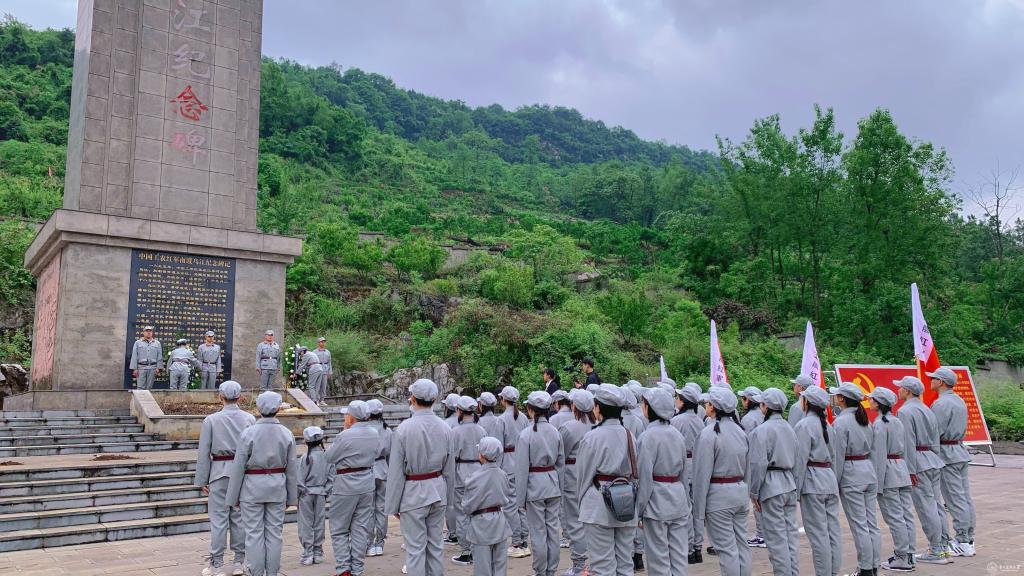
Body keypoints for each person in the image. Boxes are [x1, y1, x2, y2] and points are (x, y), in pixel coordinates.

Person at [225, 391, 298, 576]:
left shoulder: (248, 433)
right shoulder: (287, 433)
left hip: (252, 487)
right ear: (279, 408)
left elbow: (238, 466)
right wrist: (292, 497)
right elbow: (292, 468)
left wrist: (233, 497)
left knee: (253, 533)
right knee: (275, 534)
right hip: (277, 486)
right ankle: (272, 572)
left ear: (258, 408)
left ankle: (255, 572)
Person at [386, 378, 453, 576]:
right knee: (436, 547)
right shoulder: (445, 428)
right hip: (438, 489)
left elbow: (396, 471)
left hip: (413, 493)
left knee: (415, 550)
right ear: (434, 400)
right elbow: (450, 469)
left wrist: (393, 504)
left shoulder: (404, 429)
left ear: (413, 399)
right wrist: (449, 499)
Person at [576, 384, 637, 576]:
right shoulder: (629, 435)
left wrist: (581, 503)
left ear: (598, 408)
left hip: (598, 503)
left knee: (602, 565)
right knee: (625, 563)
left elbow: (583, 475)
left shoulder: (592, 437)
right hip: (626, 501)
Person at [195, 381, 255, 576]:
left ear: (220, 397)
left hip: (219, 472)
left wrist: (202, 479)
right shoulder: (249, 419)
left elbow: (204, 451)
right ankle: (239, 562)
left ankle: (217, 564)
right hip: (242, 472)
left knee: (219, 520)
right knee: (239, 518)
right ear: (240, 396)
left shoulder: (211, 420)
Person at [691, 386, 751, 576]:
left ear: (713, 407)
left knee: (727, 550)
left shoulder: (708, 434)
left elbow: (701, 475)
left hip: (719, 496)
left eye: (708, 403)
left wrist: (698, 510)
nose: (706, 406)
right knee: (741, 545)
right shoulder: (741, 431)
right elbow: (748, 468)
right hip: (740, 492)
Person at [895, 376, 951, 565]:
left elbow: (908, 443)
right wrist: (935, 458)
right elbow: (935, 440)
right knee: (936, 505)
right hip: (932, 460)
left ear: (907, 391)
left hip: (918, 462)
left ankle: (936, 550)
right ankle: (943, 546)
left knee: (926, 507)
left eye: (900, 387)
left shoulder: (905, 411)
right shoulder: (927, 409)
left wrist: (909, 470)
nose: (898, 390)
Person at [637, 387, 690, 576]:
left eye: (644, 404)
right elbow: (684, 472)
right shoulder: (677, 434)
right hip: (678, 497)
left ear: (650, 408)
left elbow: (644, 478)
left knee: (658, 559)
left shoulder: (646, 437)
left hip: (656, 501)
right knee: (679, 556)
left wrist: (639, 510)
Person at [747, 388, 799, 576]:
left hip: (771, 484)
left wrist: (754, 492)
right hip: (789, 482)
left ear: (765, 406)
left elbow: (758, 464)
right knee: (790, 537)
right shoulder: (790, 428)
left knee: (776, 539)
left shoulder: (761, 431)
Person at [830, 382, 881, 576]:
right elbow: (874, 450)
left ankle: (865, 569)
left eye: (837, 395)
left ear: (842, 399)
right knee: (871, 524)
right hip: (868, 470)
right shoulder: (865, 420)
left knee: (859, 525)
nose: (835, 397)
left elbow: (838, 455)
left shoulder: (841, 422)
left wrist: (835, 482)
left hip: (852, 473)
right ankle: (873, 566)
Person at [792, 385, 842, 576]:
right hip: (828, 479)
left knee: (818, 534)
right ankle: (833, 572)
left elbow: (800, 460)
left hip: (813, 482)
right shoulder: (828, 425)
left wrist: (796, 490)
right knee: (832, 532)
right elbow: (835, 457)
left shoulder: (804, 425)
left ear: (808, 402)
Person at [326, 400, 379, 576]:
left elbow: (329, 457)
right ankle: (357, 569)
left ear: (351, 417)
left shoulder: (345, 435)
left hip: (346, 483)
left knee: (339, 528)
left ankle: (343, 569)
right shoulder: (374, 433)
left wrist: (345, 431)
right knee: (360, 528)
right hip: (366, 481)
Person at [927, 366, 977, 557]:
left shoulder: (941, 404)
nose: (930, 381)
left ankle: (962, 540)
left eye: (933, 378)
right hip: (959, 451)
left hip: (947, 453)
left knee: (955, 500)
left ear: (940, 382)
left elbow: (934, 432)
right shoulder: (958, 400)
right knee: (964, 497)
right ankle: (968, 538)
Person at [515, 391, 564, 576]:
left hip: (534, 486)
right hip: (552, 484)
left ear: (530, 410)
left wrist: (520, 500)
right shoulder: (555, 432)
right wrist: (560, 489)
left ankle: (540, 570)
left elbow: (521, 469)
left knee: (538, 532)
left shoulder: (526, 434)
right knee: (553, 530)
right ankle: (551, 570)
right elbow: (561, 464)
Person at [867, 387, 916, 572]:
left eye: (872, 399)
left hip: (888, 472)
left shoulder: (880, 424)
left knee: (895, 517)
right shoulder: (896, 421)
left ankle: (902, 557)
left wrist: (877, 484)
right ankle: (909, 554)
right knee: (906, 515)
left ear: (878, 403)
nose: (869, 402)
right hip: (901, 469)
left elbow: (878, 456)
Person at [462, 436, 513, 576]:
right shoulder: (503, 474)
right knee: (500, 565)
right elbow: (506, 496)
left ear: (482, 455)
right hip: (499, 520)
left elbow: (467, 507)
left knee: (482, 567)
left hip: (481, 524)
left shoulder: (474, 477)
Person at [559, 388, 595, 576]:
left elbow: (560, 453)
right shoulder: (598, 425)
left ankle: (579, 566)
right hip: (594, 475)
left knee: (574, 521)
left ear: (575, 406)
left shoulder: (569, 427)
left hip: (573, 475)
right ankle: (594, 563)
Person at [671, 382, 706, 565]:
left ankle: (689, 547)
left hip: (684, 465)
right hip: (698, 464)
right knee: (698, 507)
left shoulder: (676, 421)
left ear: (683, 402)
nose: (676, 401)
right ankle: (698, 547)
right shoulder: (700, 420)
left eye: (678, 398)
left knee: (686, 508)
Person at [450, 395, 487, 565]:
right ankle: (479, 547)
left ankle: (466, 550)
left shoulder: (455, 432)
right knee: (479, 511)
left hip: (461, 472)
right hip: (480, 470)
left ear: (459, 411)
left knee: (462, 513)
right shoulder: (481, 430)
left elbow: (452, 456)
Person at [498, 386, 530, 557]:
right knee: (521, 503)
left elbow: (498, 446)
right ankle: (524, 539)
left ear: (503, 400)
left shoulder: (502, 419)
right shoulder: (523, 417)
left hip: (507, 463)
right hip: (522, 461)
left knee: (510, 505)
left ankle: (516, 541)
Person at [619, 383, 647, 569]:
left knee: (623, 518)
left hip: (618, 476)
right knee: (637, 516)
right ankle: (639, 555)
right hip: (635, 473)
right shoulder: (638, 420)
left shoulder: (617, 420)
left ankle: (626, 557)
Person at [737, 386, 766, 549]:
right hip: (767, 463)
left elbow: (745, 444)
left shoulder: (748, 419)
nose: (743, 401)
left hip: (754, 462)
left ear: (748, 400)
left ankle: (762, 535)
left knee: (757, 500)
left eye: (744, 398)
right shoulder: (763, 415)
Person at [297, 426, 329, 566]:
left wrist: (299, 493)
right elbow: (331, 477)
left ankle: (308, 552)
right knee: (319, 522)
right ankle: (318, 551)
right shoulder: (326, 456)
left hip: (306, 494)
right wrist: (326, 490)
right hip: (321, 493)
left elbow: (299, 480)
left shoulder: (305, 458)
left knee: (306, 523)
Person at [366, 398, 392, 557]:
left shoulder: (365, 430)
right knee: (381, 509)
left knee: (368, 509)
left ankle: (369, 543)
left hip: (367, 469)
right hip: (383, 468)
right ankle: (380, 543)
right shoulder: (387, 430)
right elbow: (391, 454)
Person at [129, 325, 163, 390]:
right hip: (141, 368)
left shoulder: (157, 343)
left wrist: (158, 368)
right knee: (140, 387)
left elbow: (159, 356)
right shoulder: (138, 343)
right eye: (147, 331)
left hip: (152, 368)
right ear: (143, 332)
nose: (148, 332)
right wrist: (134, 369)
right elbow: (134, 355)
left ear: (152, 333)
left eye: (150, 331)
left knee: (149, 388)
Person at [313, 337, 333, 405]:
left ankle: (322, 400)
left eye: (324, 342)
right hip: (317, 369)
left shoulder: (328, 352)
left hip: (325, 369)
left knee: (324, 386)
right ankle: (316, 400)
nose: (323, 343)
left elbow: (329, 362)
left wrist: (330, 371)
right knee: (317, 385)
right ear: (318, 343)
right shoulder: (314, 352)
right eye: (321, 342)